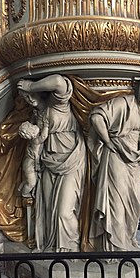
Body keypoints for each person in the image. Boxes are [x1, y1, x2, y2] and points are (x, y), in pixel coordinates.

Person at [88, 75, 140, 253]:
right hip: (115, 157)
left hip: (133, 161)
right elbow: (97, 117)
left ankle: (128, 237)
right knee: (116, 202)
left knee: (137, 202)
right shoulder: (125, 103)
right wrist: (108, 142)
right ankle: (115, 246)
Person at [17, 74, 87, 252]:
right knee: (48, 208)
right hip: (48, 162)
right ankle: (52, 245)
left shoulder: (58, 104)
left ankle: (70, 246)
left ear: (42, 91)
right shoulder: (37, 117)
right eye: (25, 96)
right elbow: (35, 145)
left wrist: (31, 86)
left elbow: (58, 81)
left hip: (70, 160)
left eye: (30, 93)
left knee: (64, 211)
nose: (29, 98)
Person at [18, 120, 49, 197]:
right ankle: (24, 193)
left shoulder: (33, 140)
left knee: (28, 180)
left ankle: (21, 188)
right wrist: (46, 126)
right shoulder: (35, 141)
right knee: (31, 183)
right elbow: (43, 137)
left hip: (29, 163)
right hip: (29, 165)